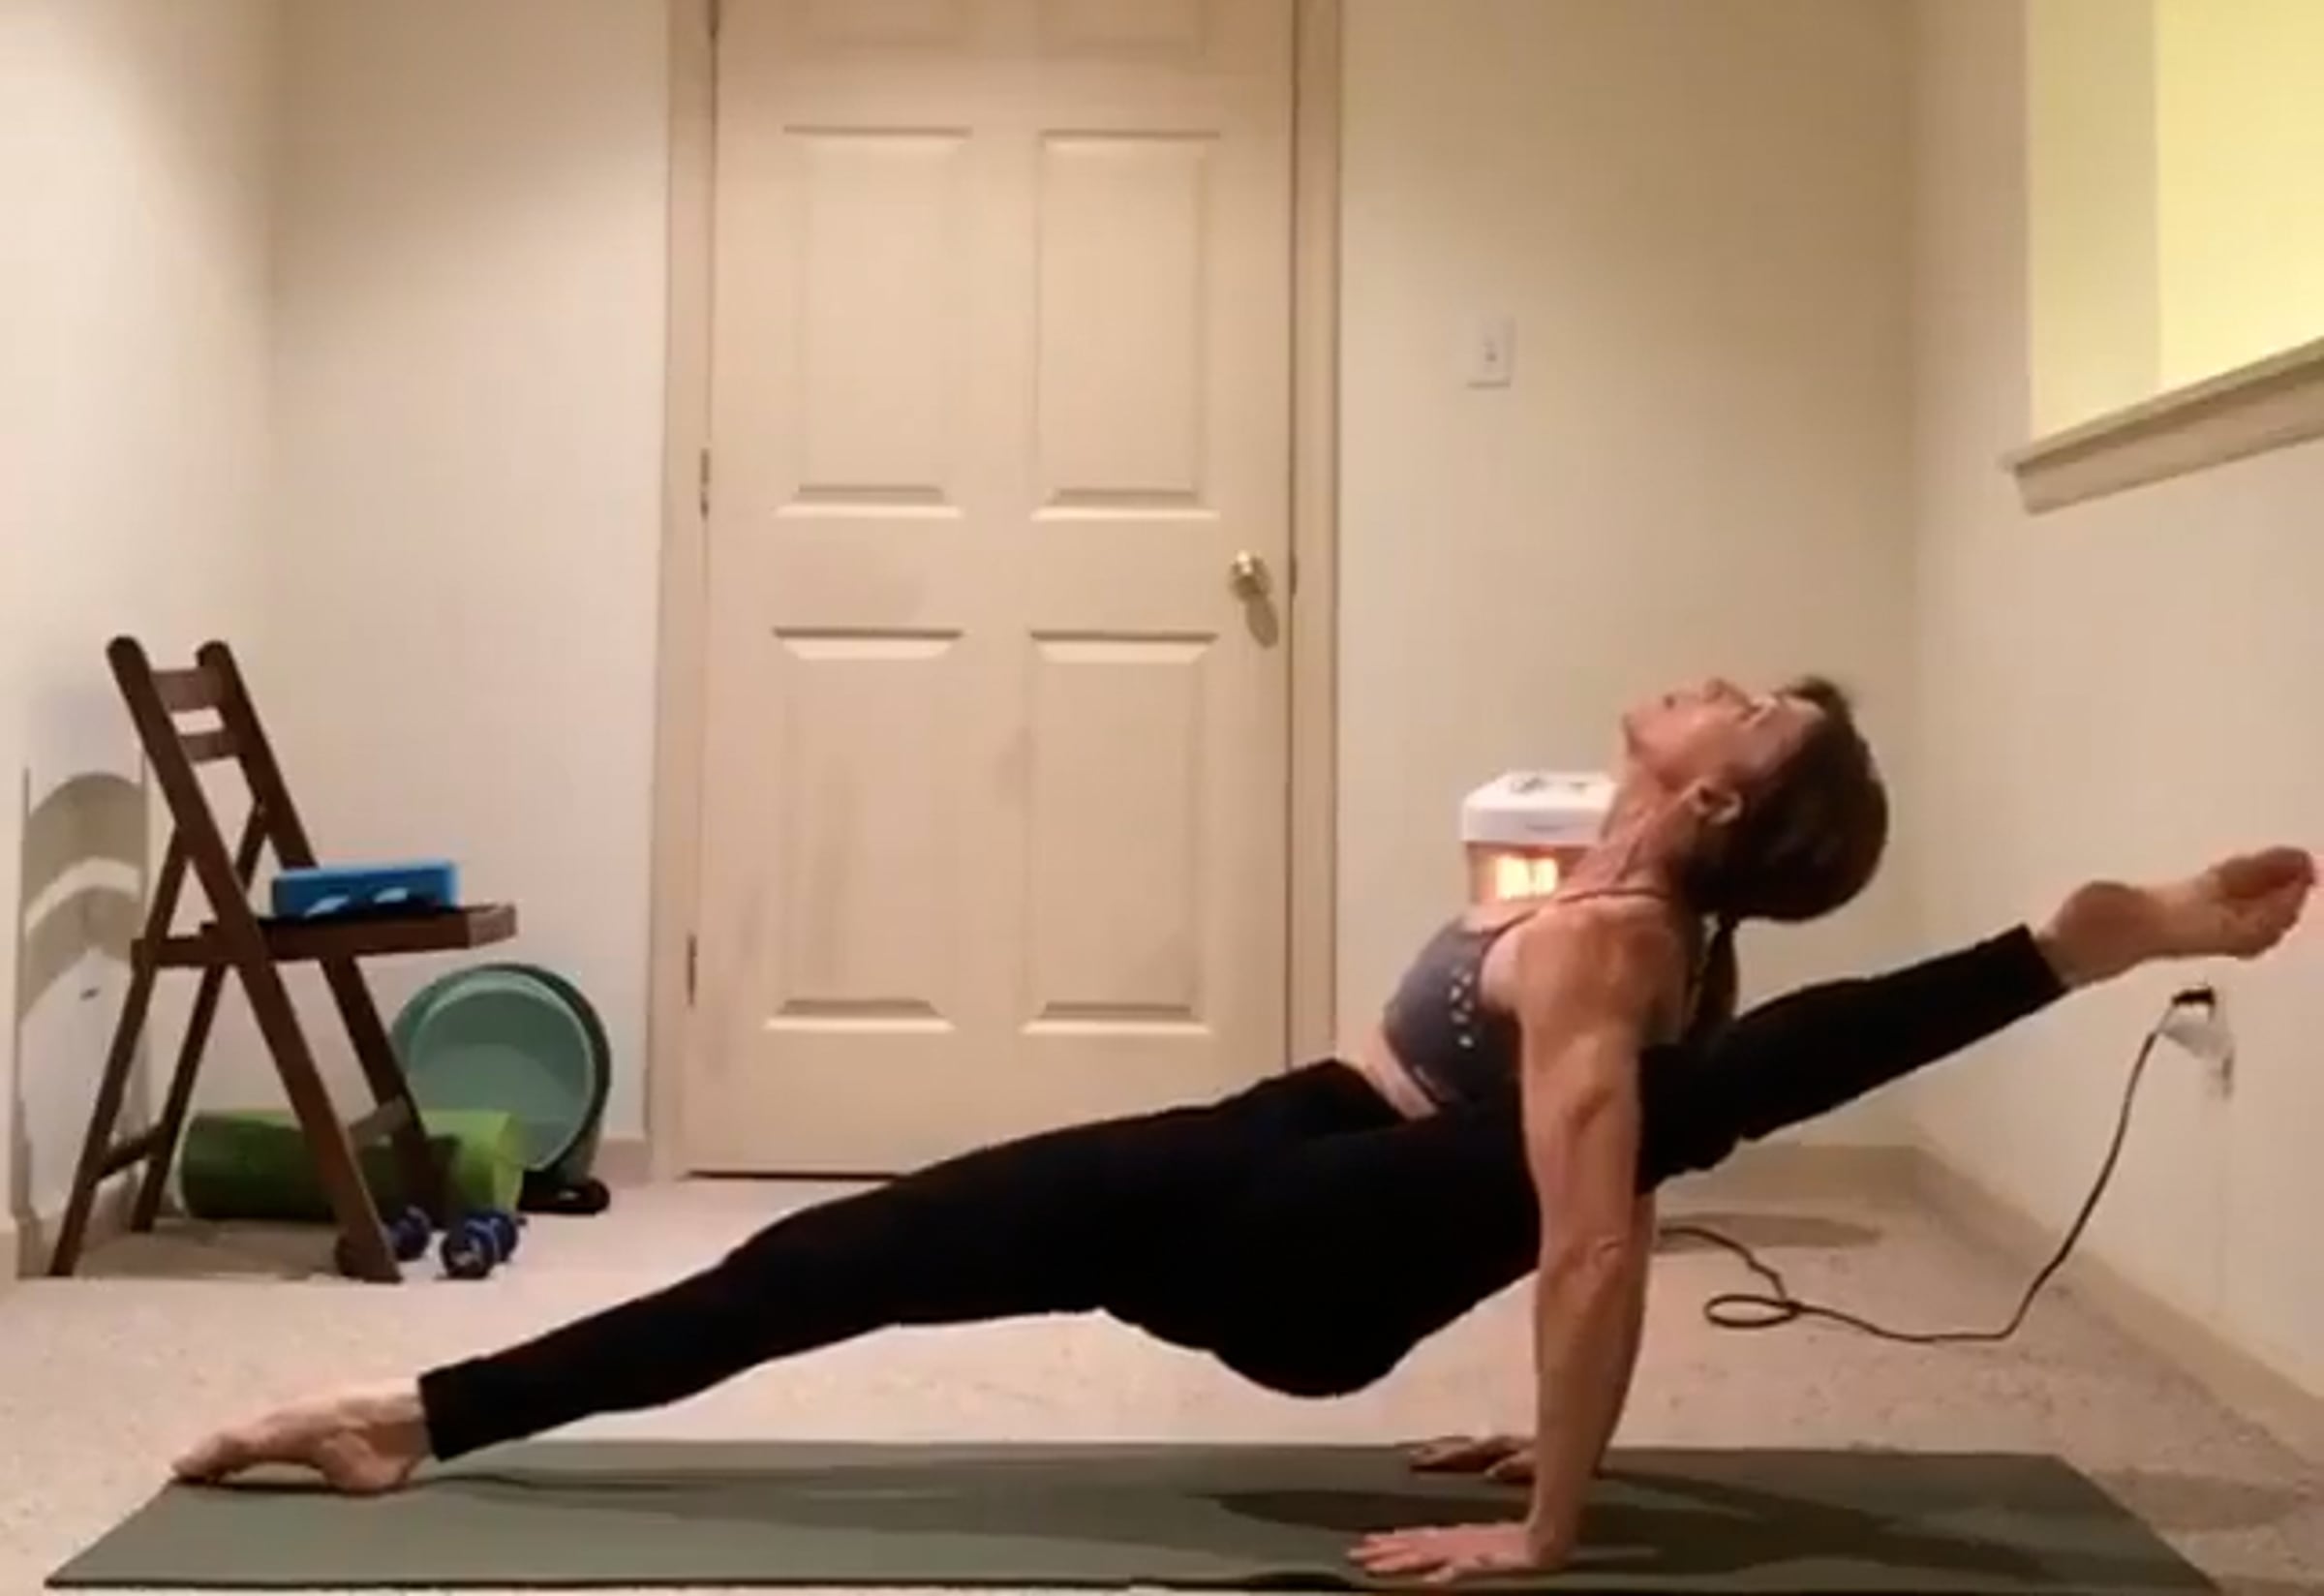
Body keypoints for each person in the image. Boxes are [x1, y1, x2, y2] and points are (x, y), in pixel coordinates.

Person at [174, 674, 2315, 1584]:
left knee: (839, 1263)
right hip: (1296, 1163)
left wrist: (1553, 1524)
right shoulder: (1627, 923)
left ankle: (409, 1420)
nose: (1702, 675)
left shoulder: (1611, 949)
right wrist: (1539, 1423)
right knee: (845, 1262)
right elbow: (1590, 1181)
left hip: (1295, 1244)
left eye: (1740, 700)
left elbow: (1590, 1232)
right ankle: (2060, 945)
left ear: (1718, 792)